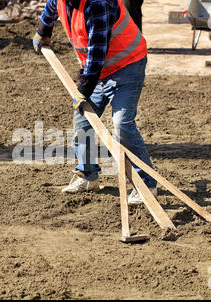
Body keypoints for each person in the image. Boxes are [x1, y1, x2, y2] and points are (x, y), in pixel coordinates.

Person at [33, 0, 157, 205]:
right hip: (100, 71)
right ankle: (87, 175)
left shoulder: (99, 4)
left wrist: (84, 89)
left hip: (127, 66)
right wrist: (44, 29)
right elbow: (51, 8)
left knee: (122, 124)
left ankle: (147, 184)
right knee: (82, 121)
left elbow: (97, 52)